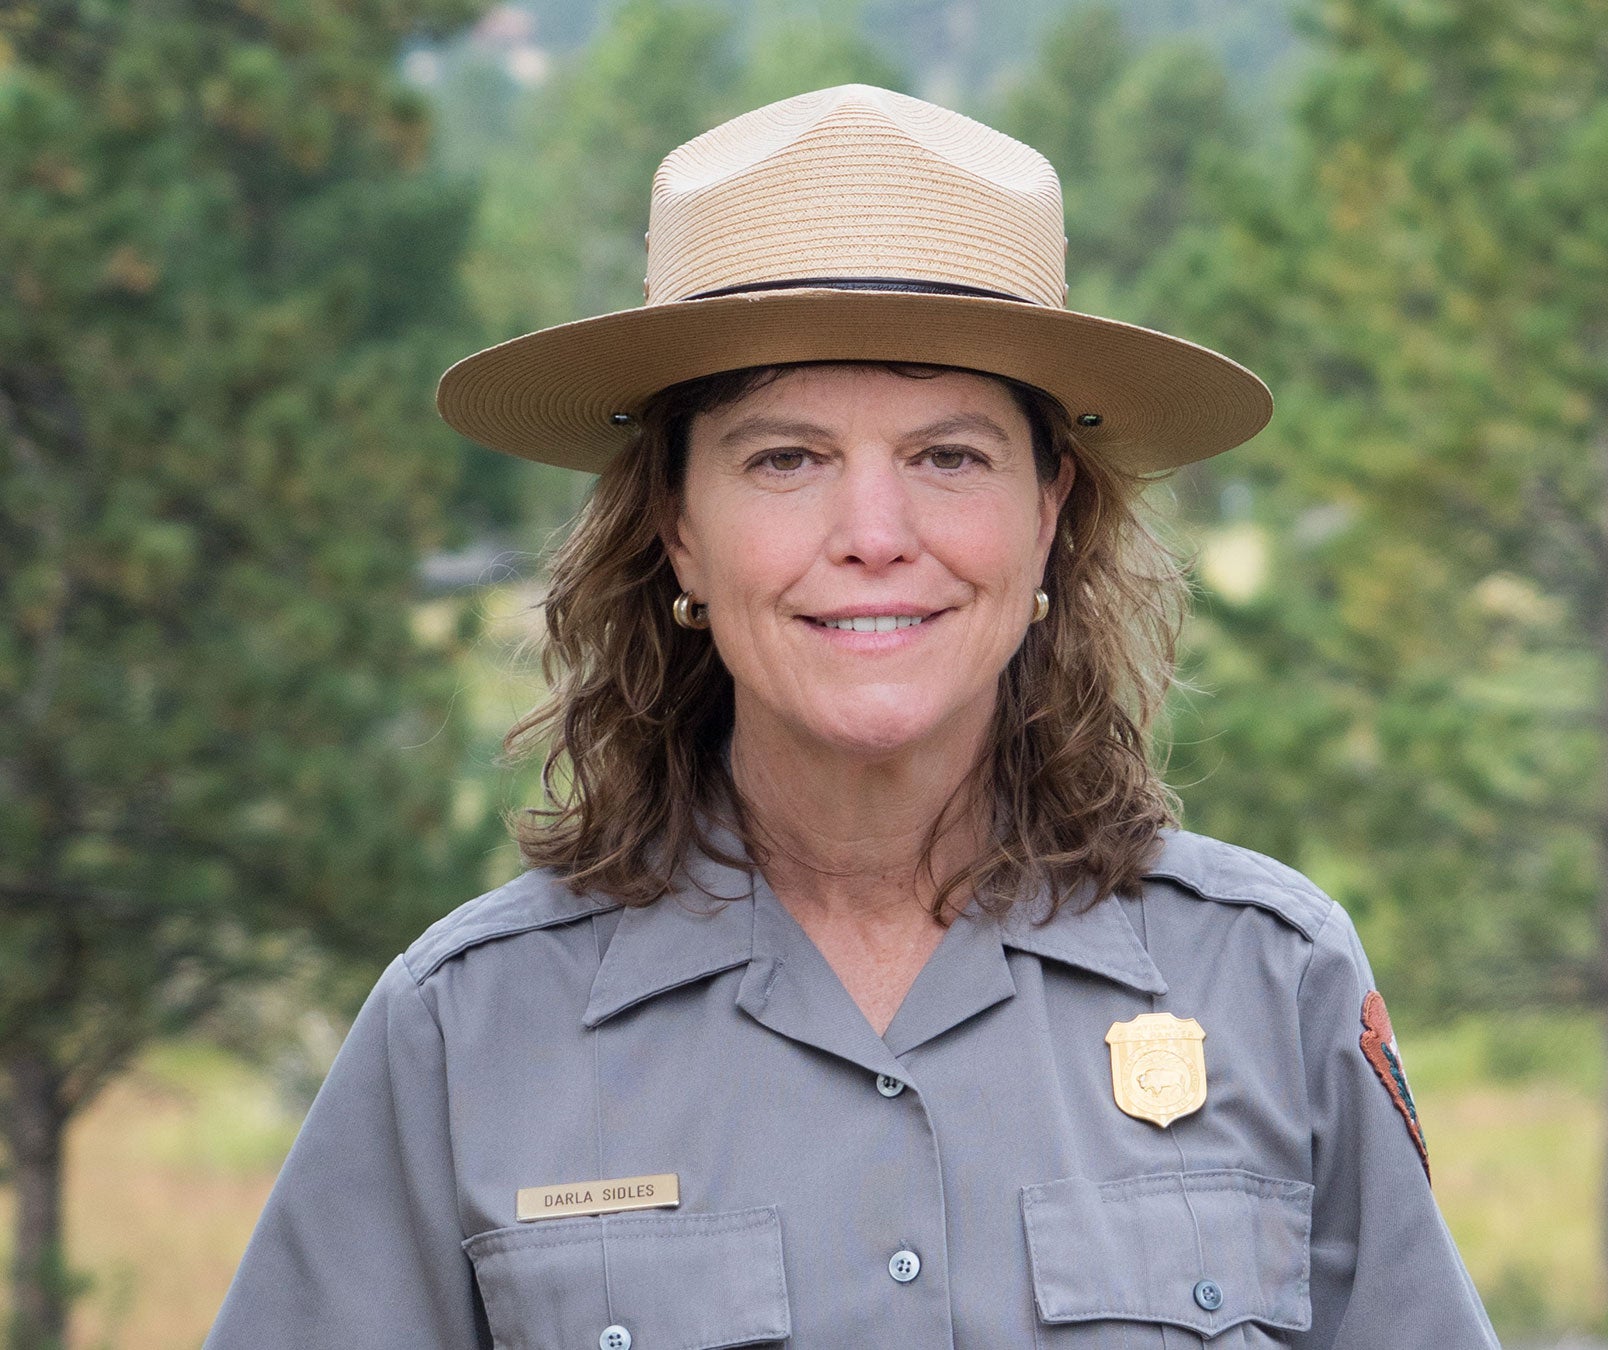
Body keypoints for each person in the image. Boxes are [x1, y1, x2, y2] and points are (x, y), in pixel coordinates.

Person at [203, 83, 1499, 1349]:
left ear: (1047, 514)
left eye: (948, 456)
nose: (874, 536)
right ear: (678, 529)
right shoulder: (465, 1033)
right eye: (787, 458)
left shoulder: (1275, 985)